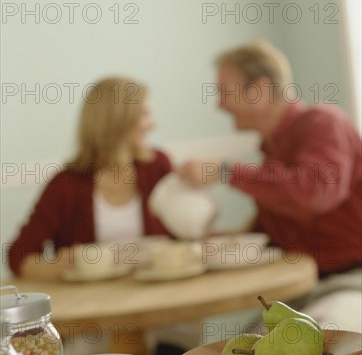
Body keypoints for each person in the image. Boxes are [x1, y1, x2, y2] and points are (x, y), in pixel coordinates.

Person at [179, 39, 362, 276]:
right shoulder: (272, 146)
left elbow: (312, 193)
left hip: (350, 277)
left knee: (322, 316)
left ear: (259, 91)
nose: (219, 105)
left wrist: (225, 171)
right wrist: (232, 240)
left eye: (224, 92)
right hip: (302, 279)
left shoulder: (325, 123)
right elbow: (287, 217)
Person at [8, 77, 172, 280]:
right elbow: (18, 256)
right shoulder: (65, 184)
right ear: (117, 120)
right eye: (144, 114)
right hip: (94, 304)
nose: (152, 124)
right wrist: (57, 266)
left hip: (156, 295)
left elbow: (184, 237)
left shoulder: (158, 167)